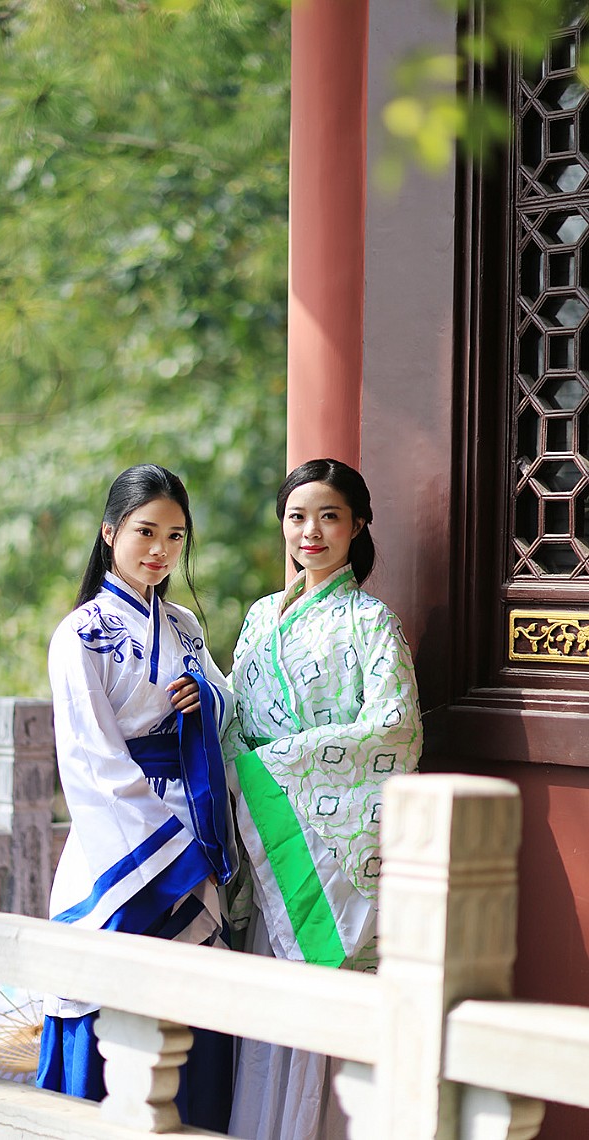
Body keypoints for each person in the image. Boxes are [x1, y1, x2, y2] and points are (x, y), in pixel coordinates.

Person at [224, 458, 422, 1140]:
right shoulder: (260, 617)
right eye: (297, 516)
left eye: (329, 517)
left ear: (357, 525)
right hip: (269, 838)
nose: (310, 531)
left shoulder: (372, 622)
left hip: (325, 845)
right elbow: (233, 715)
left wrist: (273, 768)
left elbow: (395, 730)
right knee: (268, 1013)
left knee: (324, 1017)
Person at [36, 463, 236, 1133]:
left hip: (194, 818)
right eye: (145, 531)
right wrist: (173, 855)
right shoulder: (79, 634)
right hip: (121, 843)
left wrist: (204, 700)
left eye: (175, 536)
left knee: (192, 1002)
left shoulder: (183, 625)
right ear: (109, 532)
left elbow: (226, 705)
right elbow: (89, 758)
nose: (160, 550)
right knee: (106, 989)